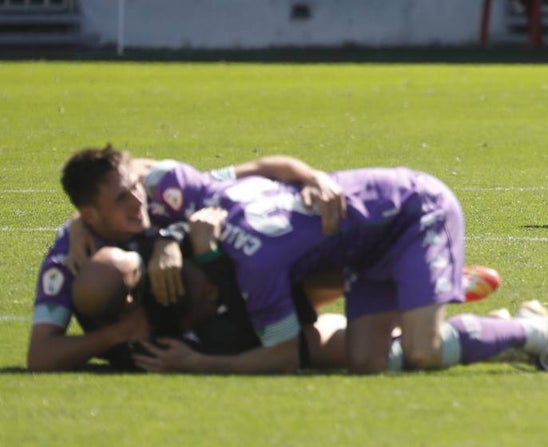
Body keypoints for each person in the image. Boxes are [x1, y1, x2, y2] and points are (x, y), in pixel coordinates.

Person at [122, 166, 548, 374]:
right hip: (367, 247)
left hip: (413, 212)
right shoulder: (214, 209)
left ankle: (528, 331)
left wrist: (200, 363)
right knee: (367, 363)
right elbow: (143, 173)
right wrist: (166, 239)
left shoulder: (255, 268)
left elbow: (283, 359)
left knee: (421, 351)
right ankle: (474, 323)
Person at [27, 146, 344, 371]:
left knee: (310, 274)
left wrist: (315, 178)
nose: (138, 200)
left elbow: (264, 168)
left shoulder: (167, 191)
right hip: (195, 329)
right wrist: (117, 334)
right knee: (309, 348)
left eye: (136, 187)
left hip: (243, 284)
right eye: (122, 197)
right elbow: (40, 355)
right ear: (89, 214)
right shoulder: (68, 257)